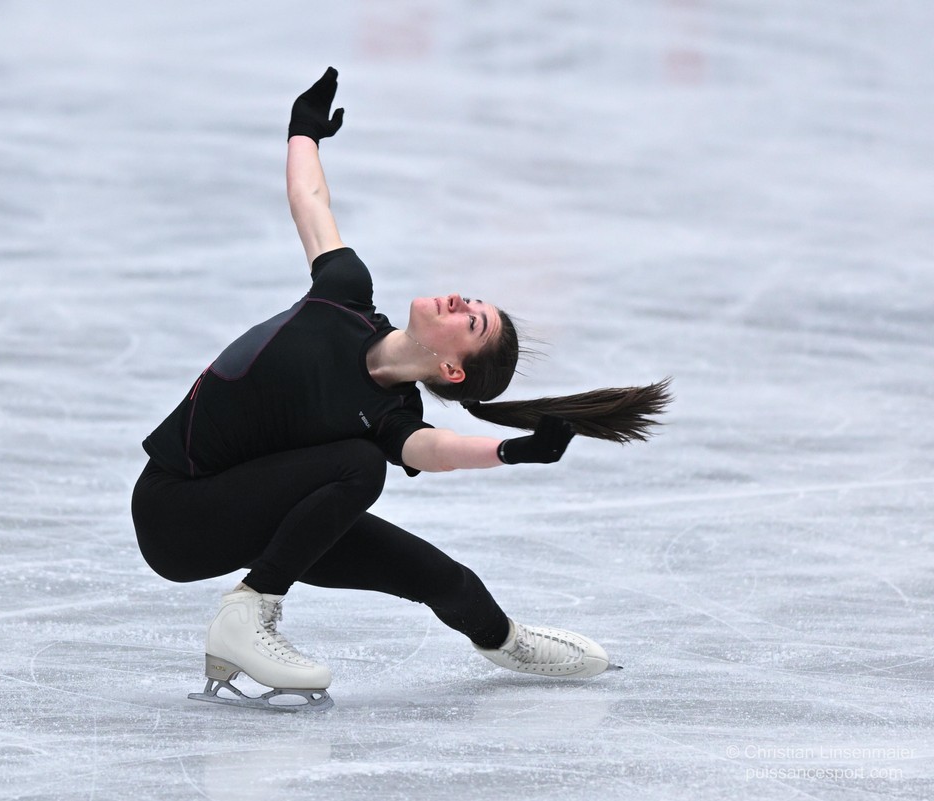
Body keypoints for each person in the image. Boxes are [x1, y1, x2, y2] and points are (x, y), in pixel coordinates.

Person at [132, 68, 671, 711]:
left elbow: (435, 449)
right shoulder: (344, 297)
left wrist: (510, 452)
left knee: (439, 575)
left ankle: (508, 642)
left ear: (453, 371)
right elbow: (312, 205)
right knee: (357, 466)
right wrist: (304, 131)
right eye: (472, 300)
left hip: (255, 513)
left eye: (471, 321)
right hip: (175, 510)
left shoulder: (390, 417)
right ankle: (249, 613)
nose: (458, 299)